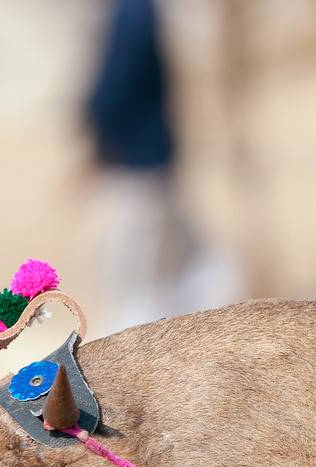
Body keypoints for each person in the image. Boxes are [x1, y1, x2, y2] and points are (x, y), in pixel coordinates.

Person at [85, 0, 242, 334]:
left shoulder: (132, 13)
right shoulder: (143, 11)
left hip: (137, 159)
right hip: (151, 153)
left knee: (135, 274)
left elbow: (114, 89)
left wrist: (97, 130)